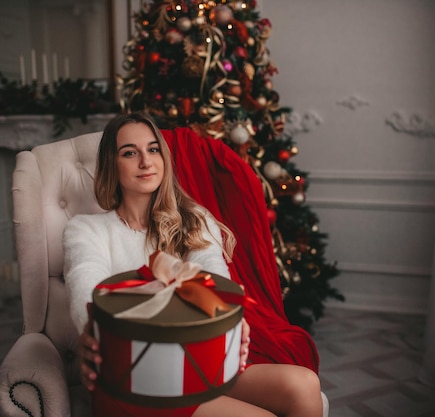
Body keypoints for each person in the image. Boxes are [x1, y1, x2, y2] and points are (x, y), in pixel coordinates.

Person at [63, 112, 323, 417]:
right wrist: (91, 331)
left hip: (197, 358)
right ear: (112, 164)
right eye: (130, 153)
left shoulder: (194, 219)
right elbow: (86, 288)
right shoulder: (86, 229)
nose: (146, 162)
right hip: (138, 374)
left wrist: (229, 322)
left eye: (153, 149)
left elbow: (214, 276)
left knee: (304, 383)